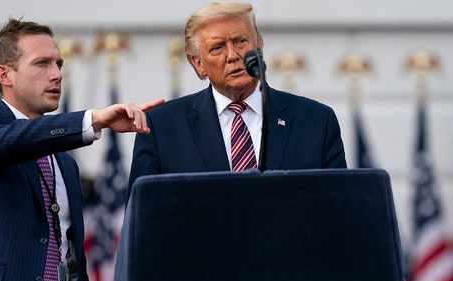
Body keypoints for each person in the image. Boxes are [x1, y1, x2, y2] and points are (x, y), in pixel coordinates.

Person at [0, 18, 163, 281]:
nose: (57, 75)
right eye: (42, 64)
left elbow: (71, 253)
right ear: (5, 74)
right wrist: (91, 120)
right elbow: (6, 141)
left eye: (59, 64)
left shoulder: (63, 162)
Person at [128, 1, 347, 195]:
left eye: (241, 42)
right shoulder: (161, 128)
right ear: (198, 64)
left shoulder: (316, 121)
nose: (232, 56)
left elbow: (339, 213)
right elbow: (141, 225)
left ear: (259, 49)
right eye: (217, 48)